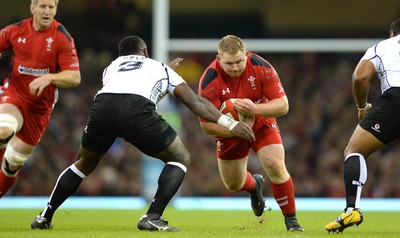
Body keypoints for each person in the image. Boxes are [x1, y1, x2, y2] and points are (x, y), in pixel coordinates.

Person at [30, 35, 255, 232]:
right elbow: (195, 102)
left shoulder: (111, 67)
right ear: (145, 52)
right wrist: (231, 124)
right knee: (180, 158)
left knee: (82, 164)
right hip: (135, 110)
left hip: (102, 107)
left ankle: (44, 216)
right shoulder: (159, 67)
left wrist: (160, 80)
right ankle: (153, 216)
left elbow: (130, 89)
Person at [197, 35, 304, 232]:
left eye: (239, 61)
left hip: (261, 121)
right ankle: (254, 186)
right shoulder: (209, 81)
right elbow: (206, 125)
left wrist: (254, 111)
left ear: (246, 55)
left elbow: (283, 105)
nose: (235, 67)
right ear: (218, 59)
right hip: (229, 130)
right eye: (229, 63)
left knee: (275, 164)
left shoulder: (262, 67)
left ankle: (292, 221)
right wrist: (234, 128)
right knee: (233, 184)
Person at [325, 18, 400, 233]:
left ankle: (352, 210)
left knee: (354, 150)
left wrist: (361, 106)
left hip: (395, 101)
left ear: (392, 33)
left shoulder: (382, 47)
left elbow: (360, 77)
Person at [0, 0, 80, 197]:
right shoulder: (15, 31)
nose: (47, 11)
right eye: (42, 6)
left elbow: (75, 77)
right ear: (32, 8)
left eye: (51, 7)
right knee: (3, 130)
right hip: (15, 95)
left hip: (40, 110)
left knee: (12, 164)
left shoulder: (61, 37)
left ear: (55, 10)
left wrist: (49, 77)